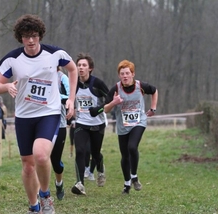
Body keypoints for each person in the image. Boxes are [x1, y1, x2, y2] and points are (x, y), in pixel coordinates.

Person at [0, 14, 77, 214]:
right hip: (24, 116)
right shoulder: (12, 59)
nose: (30, 41)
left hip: (48, 113)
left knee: (41, 156)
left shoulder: (55, 53)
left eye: (34, 36)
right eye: (25, 37)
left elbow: (73, 69)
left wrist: (72, 100)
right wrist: (7, 86)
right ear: (20, 38)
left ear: (39, 35)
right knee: (28, 166)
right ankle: (33, 208)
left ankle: (46, 194)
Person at [101, 59, 158, 194]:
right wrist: (114, 103)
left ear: (133, 74)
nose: (125, 76)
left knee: (132, 147)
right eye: (122, 74)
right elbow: (105, 109)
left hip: (139, 122)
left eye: (127, 73)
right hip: (123, 126)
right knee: (124, 155)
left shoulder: (141, 86)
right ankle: (127, 184)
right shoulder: (116, 89)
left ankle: (134, 175)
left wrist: (153, 108)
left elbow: (155, 91)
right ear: (119, 75)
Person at [71, 53, 109, 196]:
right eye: (79, 65)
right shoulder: (73, 84)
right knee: (80, 151)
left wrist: (98, 109)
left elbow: (111, 98)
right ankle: (80, 183)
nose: (81, 67)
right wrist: (70, 109)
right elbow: (68, 98)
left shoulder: (97, 83)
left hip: (97, 123)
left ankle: (100, 168)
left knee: (95, 152)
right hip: (81, 122)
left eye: (84, 65)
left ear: (90, 68)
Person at [50, 67, 70, 201]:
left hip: (60, 124)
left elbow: (69, 97)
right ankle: (42, 190)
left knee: (55, 161)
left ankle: (59, 183)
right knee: (41, 158)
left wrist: (55, 96)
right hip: (42, 123)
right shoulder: (39, 74)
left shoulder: (62, 78)